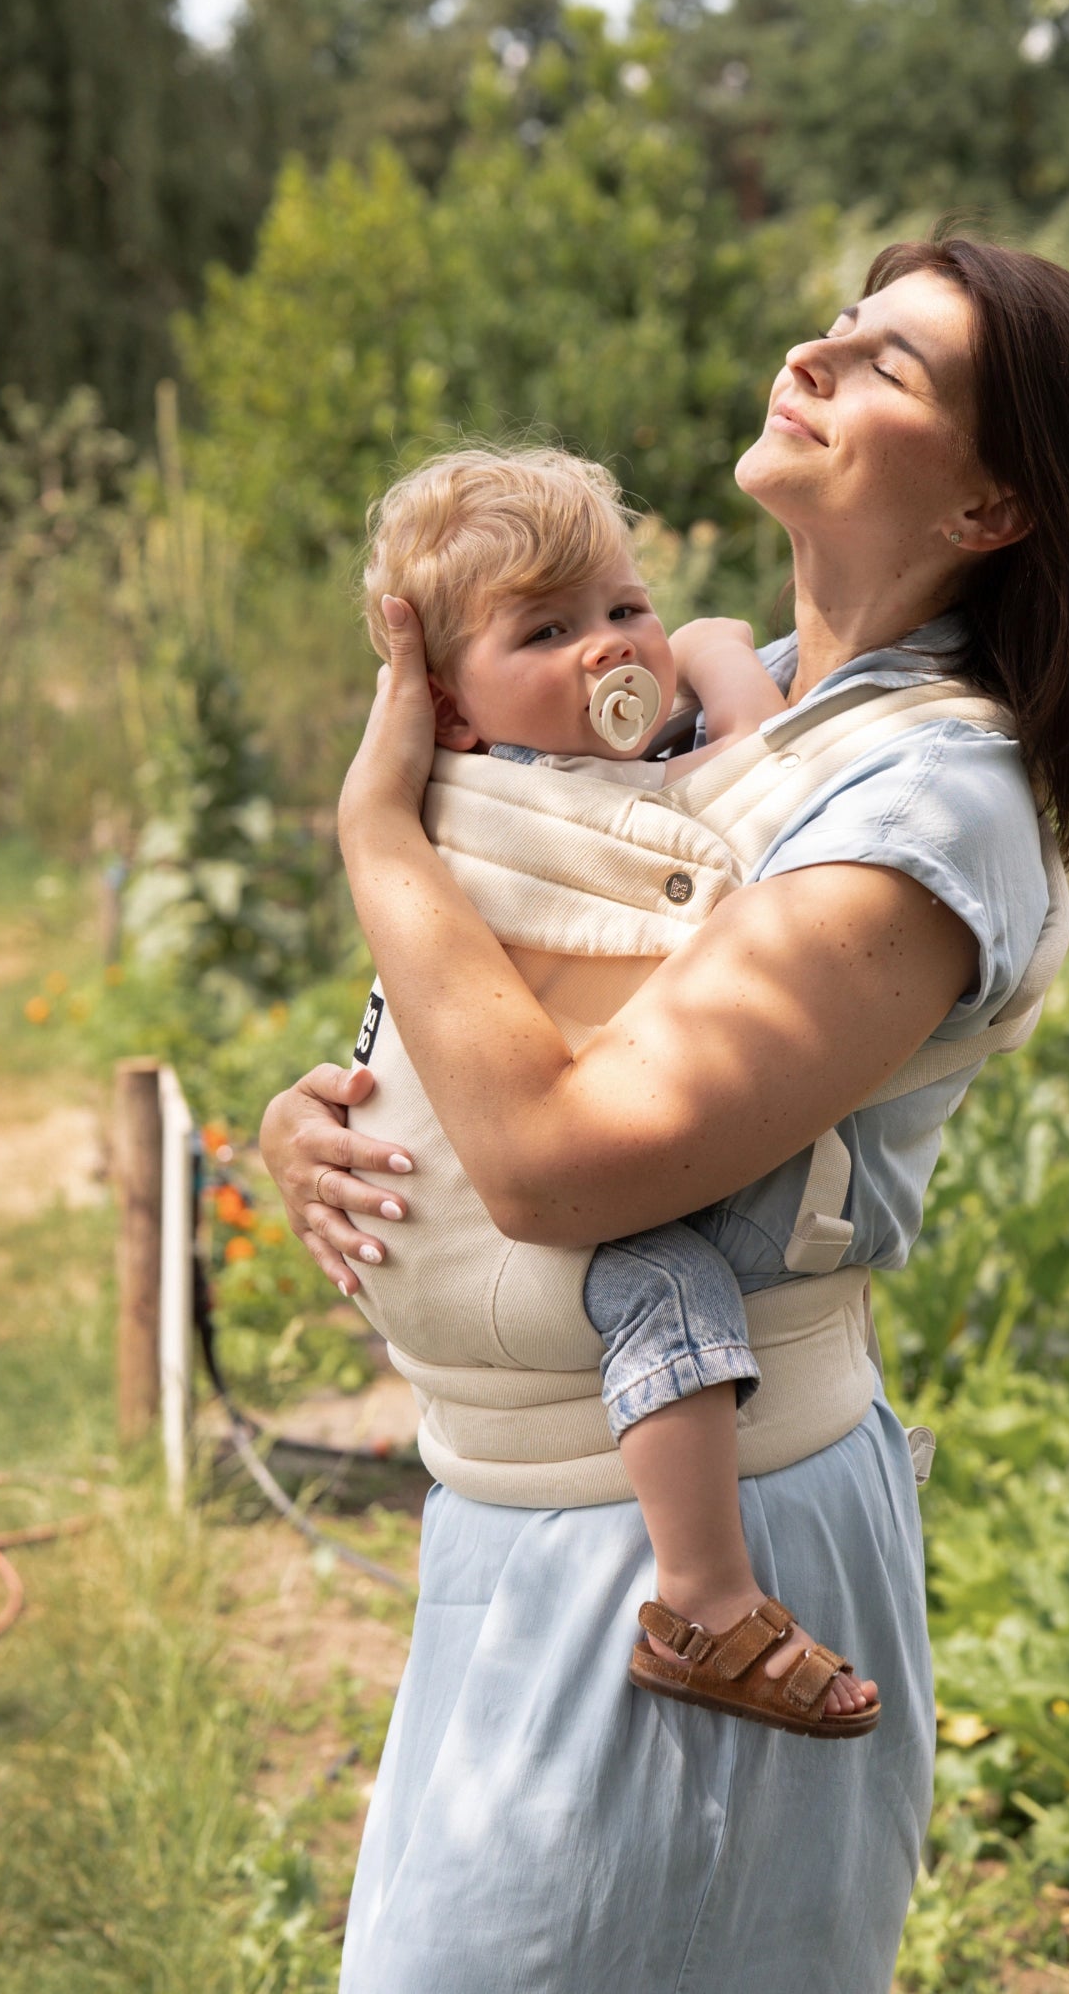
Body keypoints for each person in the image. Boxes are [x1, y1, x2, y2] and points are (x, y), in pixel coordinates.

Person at [260, 236, 1069, 1991]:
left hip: (692, 1553)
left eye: (890, 364)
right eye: (837, 323)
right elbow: (511, 1006)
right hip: (511, 1516)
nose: (818, 356)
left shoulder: (929, 798)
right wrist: (331, 1112)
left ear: (993, 505)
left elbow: (558, 1163)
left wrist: (376, 837)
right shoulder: (714, 708)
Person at [355, 443, 883, 1732]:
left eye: (621, 608)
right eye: (545, 629)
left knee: (657, 1270)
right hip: (444, 1207)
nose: (606, 649)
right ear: (453, 712)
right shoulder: (502, 810)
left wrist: (691, 645)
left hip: (458, 1181)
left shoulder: (585, 777)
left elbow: (727, 770)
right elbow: (747, 807)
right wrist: (709, 651)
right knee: (665, 1278)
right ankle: (702, 1599)